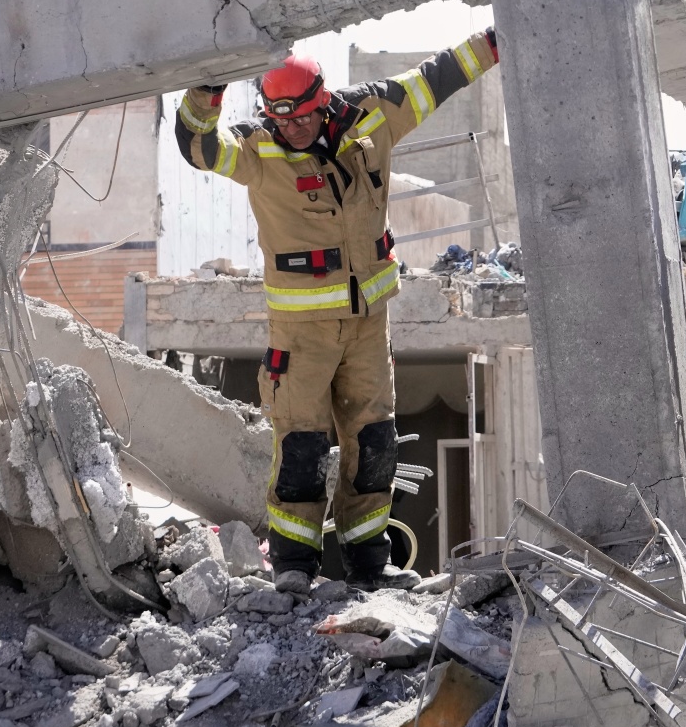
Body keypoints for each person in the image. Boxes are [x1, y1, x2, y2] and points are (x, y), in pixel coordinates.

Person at [174, 29, 500, 591]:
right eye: (280, 118)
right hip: (301, 335)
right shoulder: (259, 149)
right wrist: (209, 84)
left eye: (300, 117)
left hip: (369, 325)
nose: (291, 128)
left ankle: (369, 562)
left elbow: (439, 76)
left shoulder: (374, 117)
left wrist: (497, 41)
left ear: (322, 100)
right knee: (301, 446)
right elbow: (198, 146)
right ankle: (295, 566)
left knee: (373, 442)